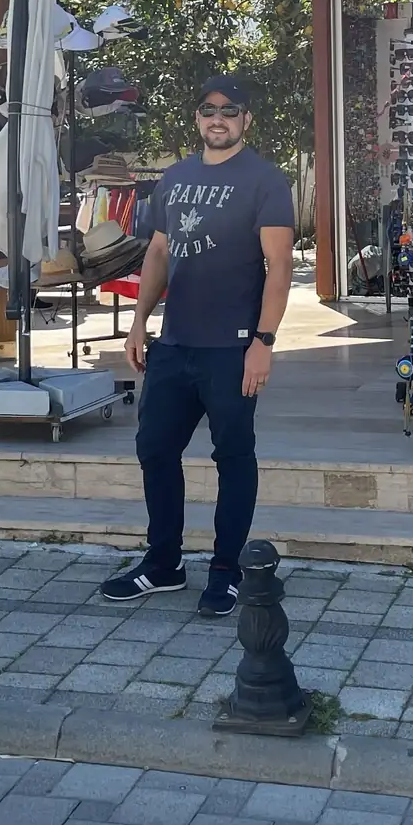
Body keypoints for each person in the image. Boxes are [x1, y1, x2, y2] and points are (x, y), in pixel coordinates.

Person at [100, 76, 295, 617]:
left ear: (246, 120)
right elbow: (159, 253)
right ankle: (163, 564)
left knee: (233, 457)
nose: (219, 119)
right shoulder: (176, 177)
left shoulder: (265, 181)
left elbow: (279, 265)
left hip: (231, 347)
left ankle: (228, 572)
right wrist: (140, 321)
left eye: (230, 111)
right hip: (176, 342)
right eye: (209, 110)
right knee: (155, 450)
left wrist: (264, 341)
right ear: (196, 118)